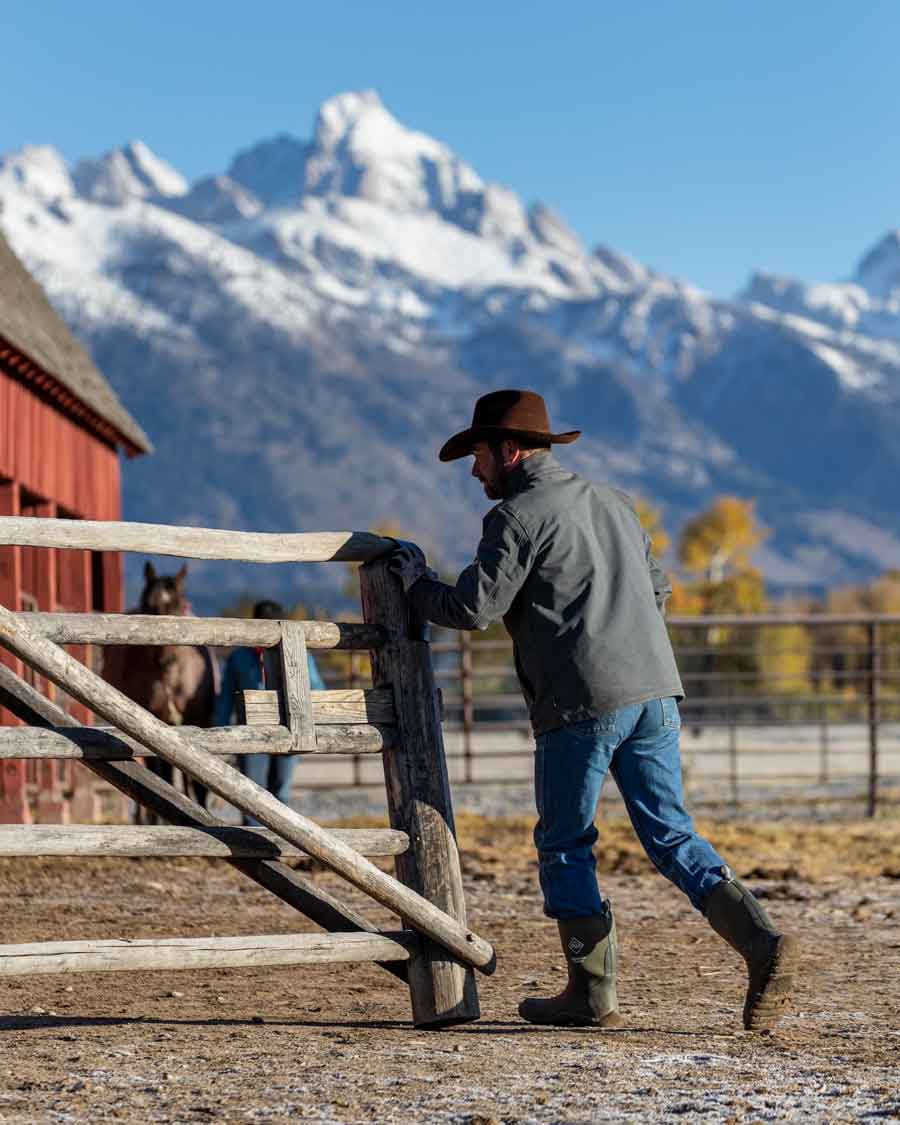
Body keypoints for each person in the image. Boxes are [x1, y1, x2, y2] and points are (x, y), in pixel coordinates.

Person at [388, 389, 799, 1031]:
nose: (473, 470)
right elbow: (658, 588)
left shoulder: (516, 519)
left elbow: (473, 609)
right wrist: (627, 650)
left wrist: (413, 584)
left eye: (478, 455)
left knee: (564, 842)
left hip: (579, 704)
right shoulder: (615, 504)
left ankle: (590, 992)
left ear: (510, 450)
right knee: (671, 834)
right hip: (655, 692)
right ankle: (761, 941)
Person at [214, 600, 326, 826]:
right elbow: (226, 696)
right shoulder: (239, 657)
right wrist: (220, 731)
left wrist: (314, 721)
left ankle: (279, 841)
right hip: (251, 734)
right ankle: (256, 847)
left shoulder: (297, 653)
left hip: (288, 728)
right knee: (251, 794)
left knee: (281, 790)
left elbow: (315, 687)